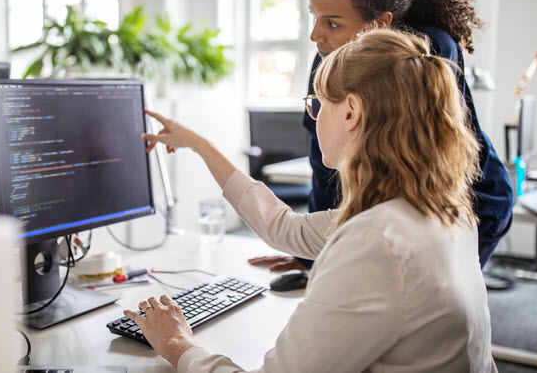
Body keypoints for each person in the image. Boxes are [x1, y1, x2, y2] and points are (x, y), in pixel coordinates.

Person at [127, 28, 495, 372]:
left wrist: (179, 346)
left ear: (351, 112)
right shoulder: (440, 210)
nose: (314, 119)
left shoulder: (376, 242)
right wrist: (202, 146)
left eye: (318, 105)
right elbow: (284, 227)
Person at [250, 0, 514, 273]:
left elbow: (419, 176)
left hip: (467, 205)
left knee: (418, 310)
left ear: (381, 23)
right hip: (396, 215)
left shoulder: (426, 52)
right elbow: (325, 166)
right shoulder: (327, 58)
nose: (316, 35)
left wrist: (338, 256)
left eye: (332, 22)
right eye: (314, 16)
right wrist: (311, 255)